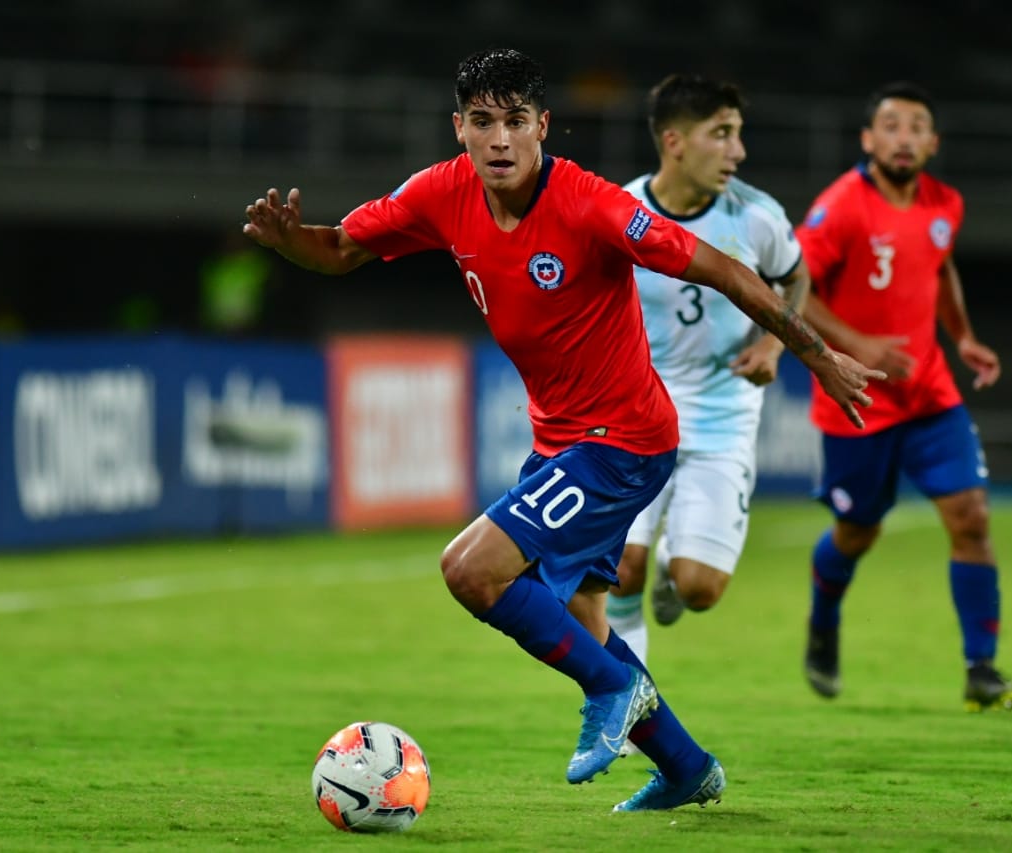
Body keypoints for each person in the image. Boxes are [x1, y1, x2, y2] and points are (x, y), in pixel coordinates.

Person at [243, 48, 882, 811]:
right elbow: (342, 248)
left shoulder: (593, 204)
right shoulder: (441, 194)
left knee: (471, 570)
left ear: (543, 126)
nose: (500, 140)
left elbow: (724, 270)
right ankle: (686, 766)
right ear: (460, 130)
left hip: (627, 441)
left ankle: (613, 689)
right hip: (563, 444)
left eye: (516, 122)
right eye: (483, 123)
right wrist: (293, 244)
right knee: (584, 618)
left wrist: (817, 354)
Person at [794, 81, 1012, 711]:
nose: (903, 137)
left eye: (915, 126)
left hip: (930, 393)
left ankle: (981, 669)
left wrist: (966, 337)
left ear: (932, 142)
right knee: (857, 532)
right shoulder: (841, 206)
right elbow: (792, 283)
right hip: (859, 400)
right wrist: (858, 344)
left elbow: (940, 264)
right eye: (890, 125)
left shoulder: (945, 203)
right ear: (868, 139)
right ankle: (824, 620)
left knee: (972, 519)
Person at [606, 73, 810, 671]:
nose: (737, 152)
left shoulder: (756, 217)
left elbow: (797, 278)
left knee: (699, 589)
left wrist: (773, 344)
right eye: (721, 135)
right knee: (618, 570)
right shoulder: (617, 211)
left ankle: (677, 559)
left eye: (738, 135)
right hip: (635, 415)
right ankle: (631, 707)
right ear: (674, 141)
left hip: (722, 416)